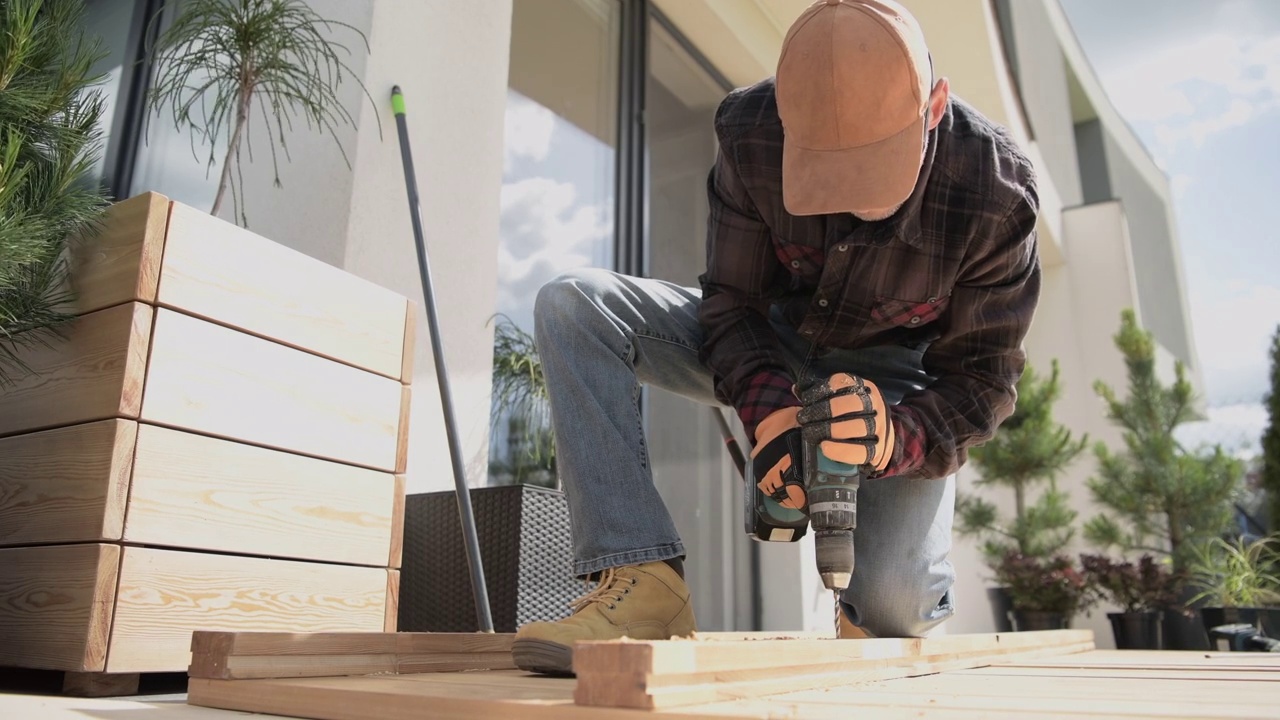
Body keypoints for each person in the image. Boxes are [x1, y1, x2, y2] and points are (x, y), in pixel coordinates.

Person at [511, 0, 1041, 675]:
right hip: (770, 339)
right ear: (788, 119)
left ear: (934, 106)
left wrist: (890, 438)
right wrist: (772, 413)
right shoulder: (750, 129)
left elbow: (983, 381)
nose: (852, 199)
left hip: (897, 383)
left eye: (874, 170)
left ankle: (865, 612)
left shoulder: (996, 194)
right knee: (575, 307)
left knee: (898, 611)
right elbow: (731, 305)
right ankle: (645, 581)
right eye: (831, 173)